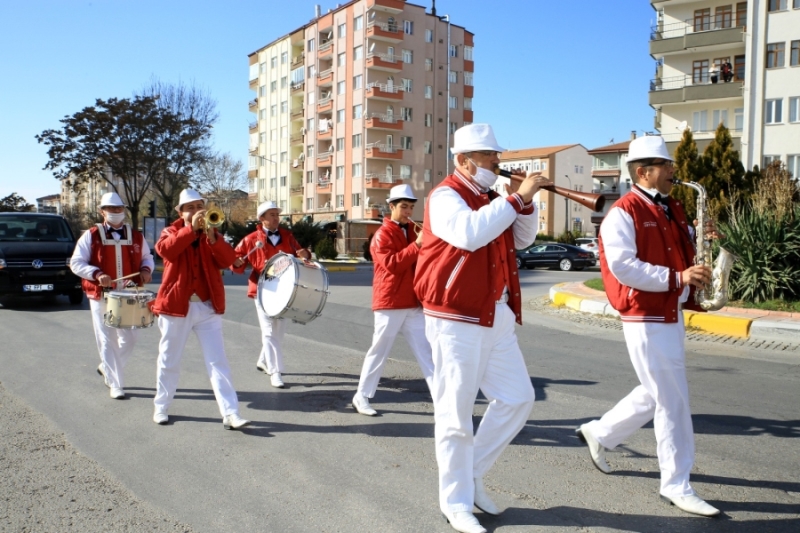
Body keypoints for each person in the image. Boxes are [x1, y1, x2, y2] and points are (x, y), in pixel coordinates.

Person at [414, 124, 549, 533]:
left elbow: (523, 239)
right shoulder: (444, 196)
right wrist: (516, 198)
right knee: (455, 414)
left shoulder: (495, 199)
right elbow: (468, 235)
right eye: (490, 157)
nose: (497, 163)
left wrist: (528, 203)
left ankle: (470, 474)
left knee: (518, 399)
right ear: (463, 161)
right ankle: (454, 502)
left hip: (496, 312)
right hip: (454, 315)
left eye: (497, 157)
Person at [575, 135, 720, 517]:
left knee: (658, 391)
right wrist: (678, 278)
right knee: (673, 399)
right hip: (644, 315)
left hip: (668, 311)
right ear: (644, 172)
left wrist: (700, 245)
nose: (674, 171)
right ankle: (676, 484)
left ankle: (601, 432)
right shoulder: (622, 212)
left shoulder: (672, 206)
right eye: (666, 166)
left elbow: (679, 251)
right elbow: (623, 267)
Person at [151, 189, 250, 430]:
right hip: (176, 307)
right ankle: (161, 407)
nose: (197, 212)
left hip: (207, 307)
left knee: (218, 362)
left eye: (199, 207)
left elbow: (228, 260)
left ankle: (231, 413)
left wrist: (214, 239)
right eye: (191, 208)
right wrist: (190, 230)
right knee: (169, 360)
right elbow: (165, 251)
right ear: (180, 212)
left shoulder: (212, 233)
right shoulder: (170, 232)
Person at [352, 184, 435, 417]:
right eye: (404, 207)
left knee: (427, 353)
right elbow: (393, 265)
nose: (409, 211)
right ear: (391, 207)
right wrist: (418, 245)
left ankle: (444, 403)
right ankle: (362, 396)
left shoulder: (411, 230)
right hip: (389, 302)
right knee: (379, 351)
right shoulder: (382, 235)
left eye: (411, 207)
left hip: (413, 302)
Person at [70, 192, 154, 399]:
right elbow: (76, 263)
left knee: (131, 337)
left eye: (119, 209)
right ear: (102, 212)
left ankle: (107, 367)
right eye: (111, 209)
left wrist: (146, 269)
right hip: (101, 294)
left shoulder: (136, 235)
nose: (116, 213)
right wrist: (97, 274)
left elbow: (147, 257)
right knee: (107, 339)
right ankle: (116, 383)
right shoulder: (91, 235)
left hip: (128, 291)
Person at [232, 201, 310, 388]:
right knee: (268, 331)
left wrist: (305, 254)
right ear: (262, 219)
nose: (276, 218)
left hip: (284, 289)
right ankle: (276, 372)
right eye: (272, 214)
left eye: (277, 214)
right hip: (262, 287)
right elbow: (236, 262)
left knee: (278, 332)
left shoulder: (287, 236)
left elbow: (302, 255)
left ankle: (263, 360)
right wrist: (236, 262)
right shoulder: (251, 239)